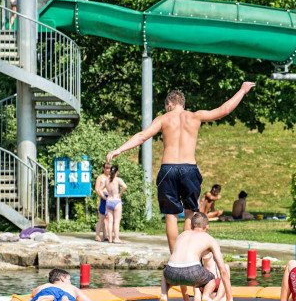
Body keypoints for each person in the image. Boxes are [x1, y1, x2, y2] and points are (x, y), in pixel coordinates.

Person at [107, 83, 255, 252]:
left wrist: (119, 149)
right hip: (189, 169)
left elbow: (141, 137)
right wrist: (242, 90)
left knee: (171, 215)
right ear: (182, 104)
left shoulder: (163, 118)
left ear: (169, 104)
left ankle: (174, 258)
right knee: (190, 212)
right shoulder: (195, 116)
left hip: (168, 169)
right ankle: (186, 255)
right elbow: (224, 110)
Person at [158, 212, 236, 301]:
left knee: (165, 274)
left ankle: (164, 295)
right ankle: (206, 296)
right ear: (207, 227)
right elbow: (223, 271)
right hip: (193, 271)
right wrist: (230, 299)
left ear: (191, 225)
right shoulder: (209, 239)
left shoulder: (182, 235)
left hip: (172, 270)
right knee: (211, 279)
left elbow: (180, 265)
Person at [30, 268, 96, 301]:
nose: (70, 282)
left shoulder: (44, 286)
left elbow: (33, 293)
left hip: (46, 291)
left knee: (42, 300)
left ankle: (46, 300)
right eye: (69, 279)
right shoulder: (71, 287)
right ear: (63, 278)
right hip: (65, 294)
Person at [104, 164, 127, 244]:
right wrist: (120, 194)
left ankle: (110, 239)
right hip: (116, 201)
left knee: (110, 221)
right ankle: (116, 238)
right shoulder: (118, 179)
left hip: (109, 201)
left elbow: (102, 189)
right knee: (116, 222)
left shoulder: (106, 180)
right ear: (117, 171)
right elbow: (125, 187)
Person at [94, 163, 111, 242]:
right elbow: (97, 189)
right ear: (103, 168)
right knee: (101, 218)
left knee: (107, 218)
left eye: (109, 168)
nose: (108, 170)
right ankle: (97, 235)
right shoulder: (100, 177)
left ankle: (105, 235)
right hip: (102, 198)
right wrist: (102, 196)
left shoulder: (111, 177)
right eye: (106, 168)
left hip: (109, 197)